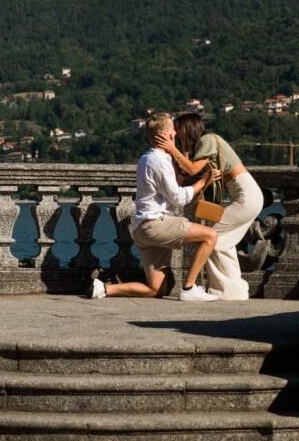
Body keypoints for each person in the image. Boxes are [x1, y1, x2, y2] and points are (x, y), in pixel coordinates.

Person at [91, 112, 221, 301]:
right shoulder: (159, 161)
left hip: (142, 229)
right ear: (165, 135)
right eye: (172, 131)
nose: (176, 134)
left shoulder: (147, 158)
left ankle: (103, 289)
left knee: (156, 290)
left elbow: (168, 186)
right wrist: (203, 182)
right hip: (155, 224)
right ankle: (189, 288)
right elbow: (177, 198)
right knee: (210, 236)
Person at [154, 113, 262, 300]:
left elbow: (193, 169)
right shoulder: (202, 146)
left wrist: (172, 149)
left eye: (179, 129)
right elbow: (184, 173)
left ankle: (217, 289)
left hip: (246, 195)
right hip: (246, 195)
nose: (178, 134)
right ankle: (231, 290)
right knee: (222, 241)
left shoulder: (208, 139)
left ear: (188, 128)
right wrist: (171, 152)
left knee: (213, 237)